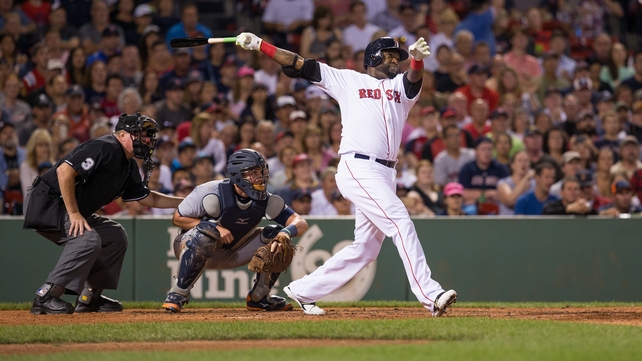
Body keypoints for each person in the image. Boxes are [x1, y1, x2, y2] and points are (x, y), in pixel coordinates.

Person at [235, 32, 457, 316]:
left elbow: (413, 80)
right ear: (372, 57)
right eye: (389, 55)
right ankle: (431, 294)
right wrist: (260, 45)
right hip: (358, 166)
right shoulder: (348, 79)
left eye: (396, 57)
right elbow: (300, 64)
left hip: (386, 172)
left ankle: (303, 290)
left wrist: (415, 61)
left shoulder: (399, 87)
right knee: (400, 221)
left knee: (365, 250)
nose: (393, 61)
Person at [24, 113, 183, 314]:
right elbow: (64, 172)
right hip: (47, 202)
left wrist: (185, 202)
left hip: (64, 206)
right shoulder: (105, 146)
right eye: (141, 135)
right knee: (87, 239)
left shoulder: (128, 164)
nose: (147, 140)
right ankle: (46, 296)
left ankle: (89, 298)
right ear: (123, 134)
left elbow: (147, 198)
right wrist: (74, 213)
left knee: (114, 235)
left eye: (148, 136)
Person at [162, 149, 309, 313]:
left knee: (277, 236)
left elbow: (300, 222)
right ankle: (177, 294)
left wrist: (286, 232)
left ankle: (259, 297)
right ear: (238, 174)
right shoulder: (210, 190)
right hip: (190, 245)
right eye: (253, 172)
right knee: (206, 234)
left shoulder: (265, 198)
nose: (259, 177)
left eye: (260, 171)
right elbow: (178, 218)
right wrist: (215, 228)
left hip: (233, 251)